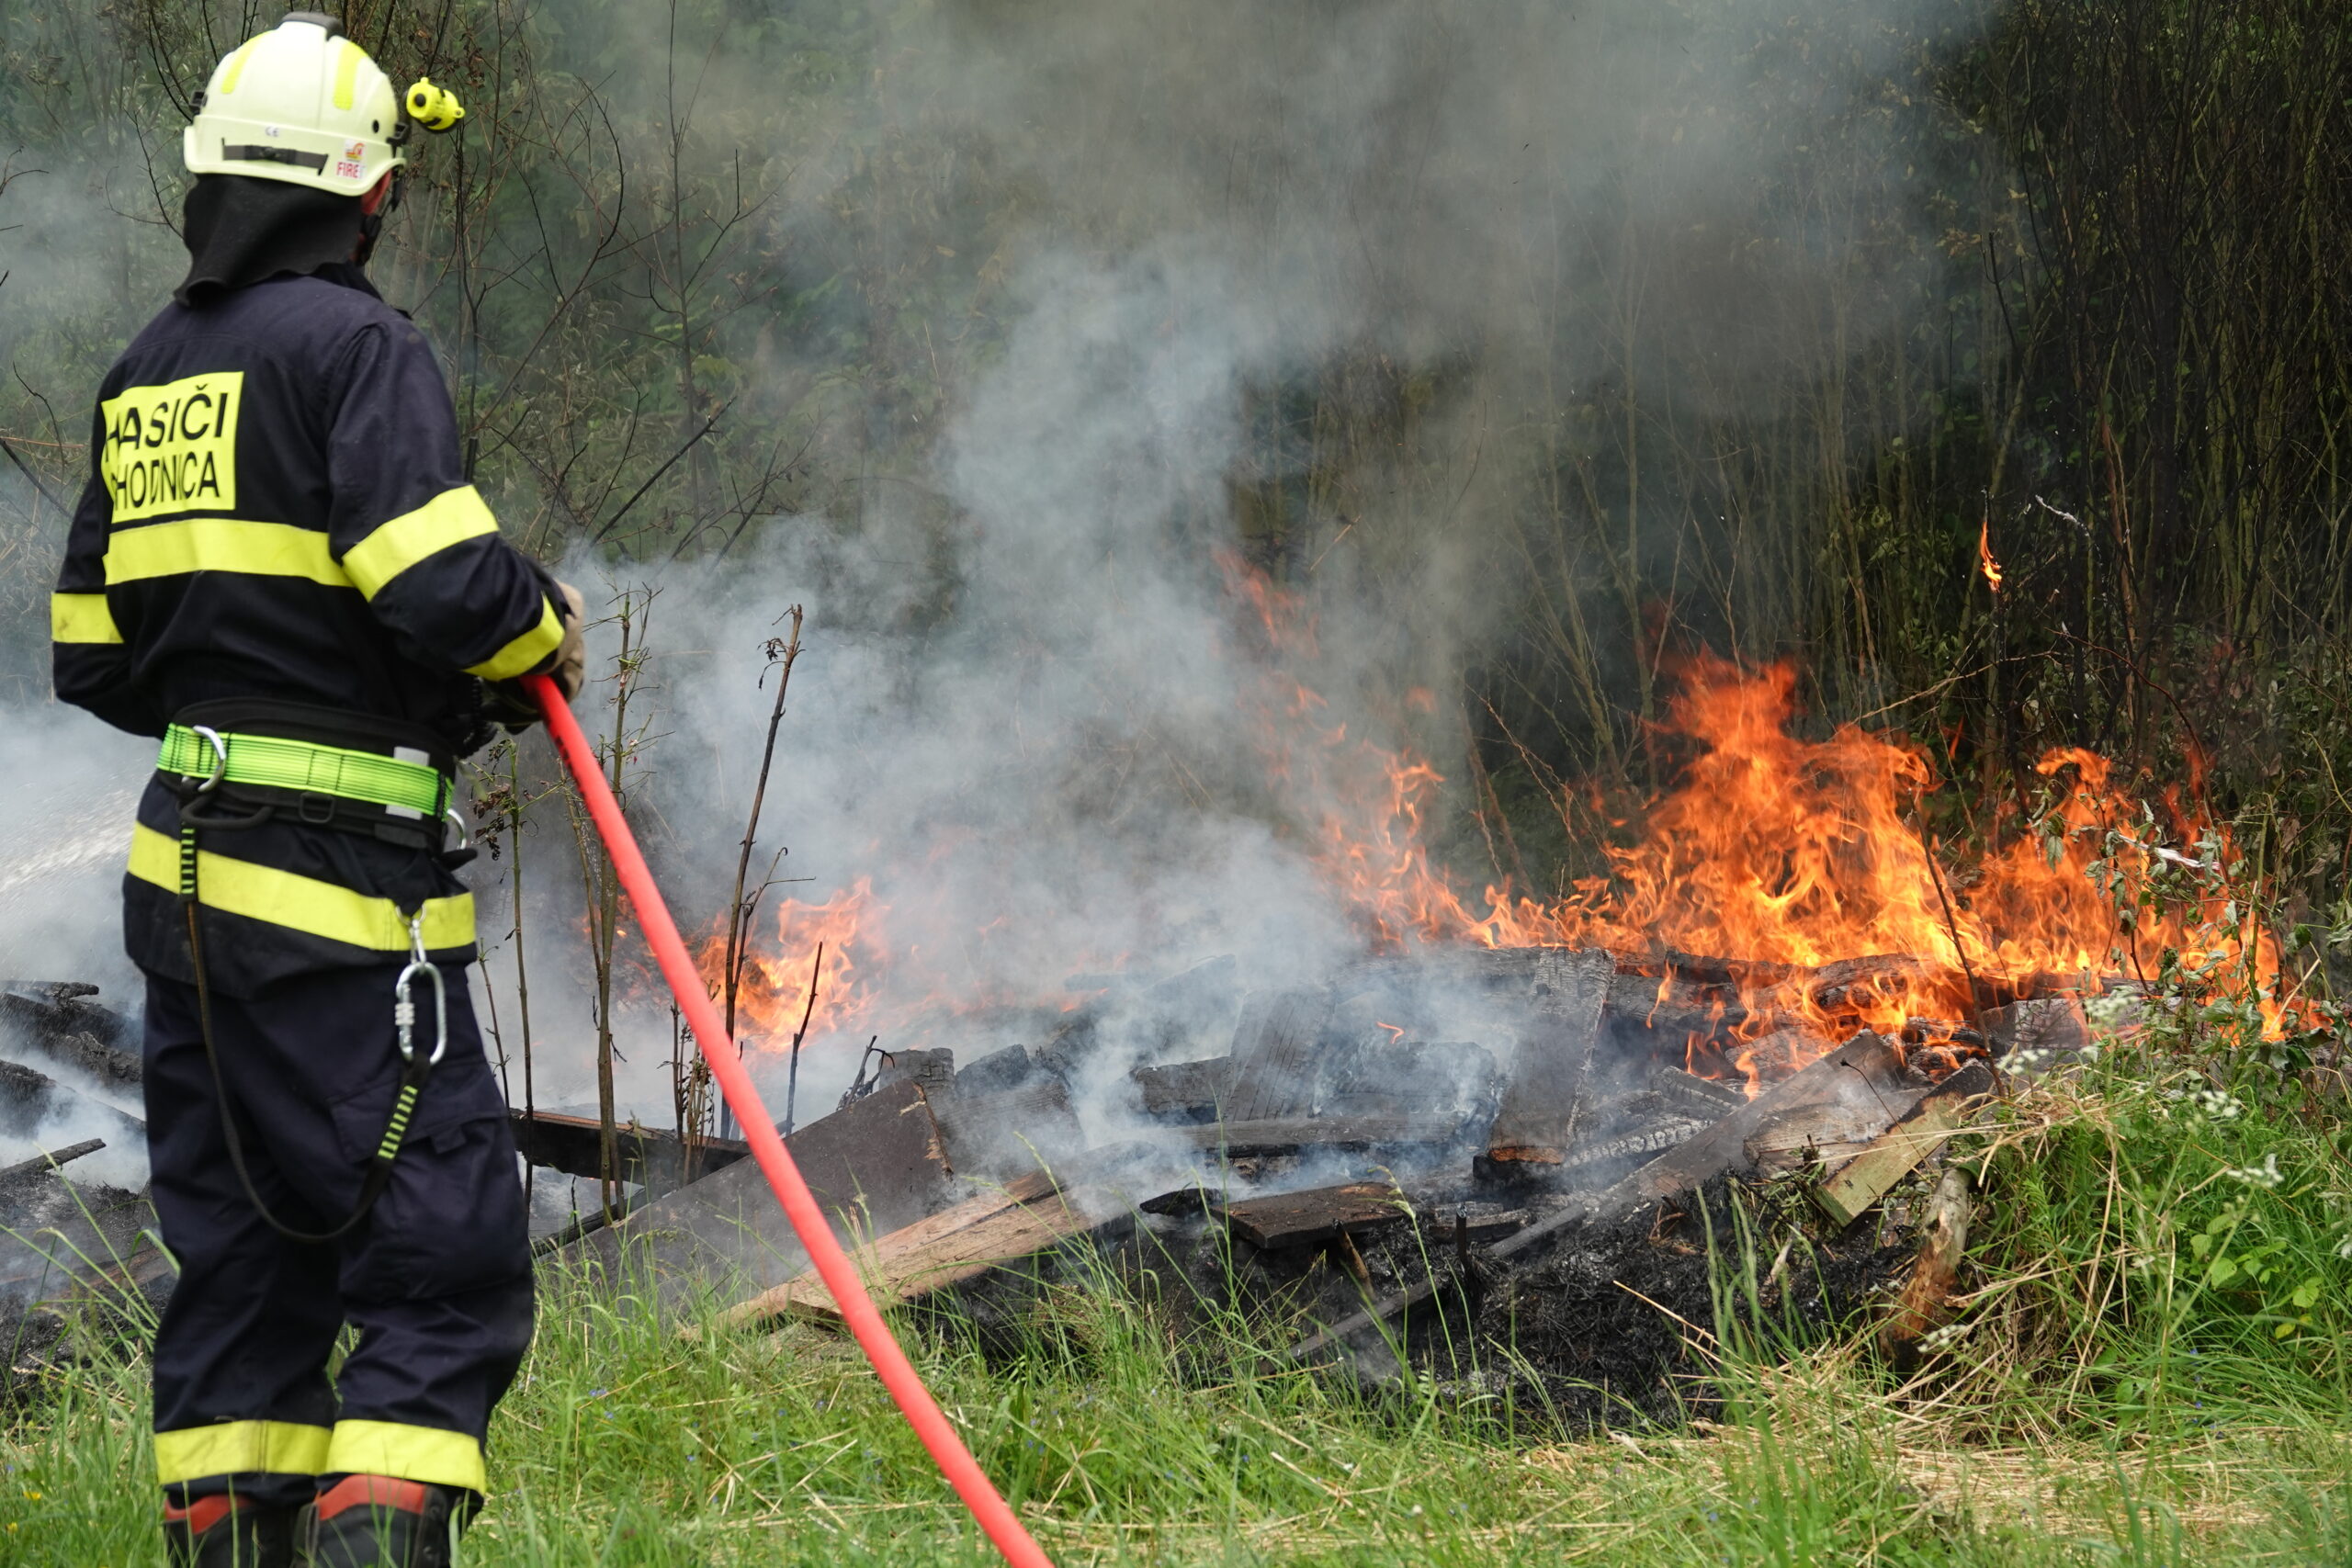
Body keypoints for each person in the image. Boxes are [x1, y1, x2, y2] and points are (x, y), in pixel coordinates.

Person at [48, 14, 582, 1566]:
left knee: (243, 1256)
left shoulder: (147, 377)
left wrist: (245, 675)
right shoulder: (359, 348)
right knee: (442, 1237)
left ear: (212, 181)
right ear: (365, 195)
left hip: (186, 900)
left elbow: (92, 652)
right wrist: (535, 631)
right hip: (339, 889)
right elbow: (442, 586)